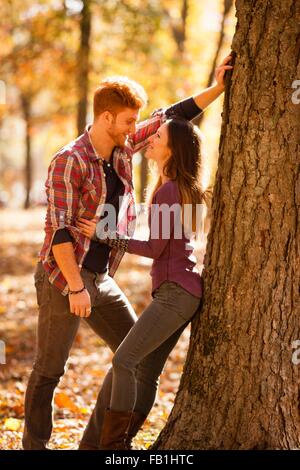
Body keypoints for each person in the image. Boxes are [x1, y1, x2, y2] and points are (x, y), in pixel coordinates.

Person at [23, 55, 233, 451]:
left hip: (102, 280)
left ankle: (97, 447)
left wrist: (218, 88)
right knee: (50, 371)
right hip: (64, 278)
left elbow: (172, 116)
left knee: (132, 358)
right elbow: (59, 231)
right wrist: (74, 287)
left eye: (137, 123)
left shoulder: (122, 148)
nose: (137, 130)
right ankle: (34, 446)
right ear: (106, 118)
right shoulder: (69, 161)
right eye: (128, 122)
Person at [76, 118, 211, 450]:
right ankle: (123, 442)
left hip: (176, 294)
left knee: (124, 362)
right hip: (183, 292)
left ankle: (113, 448)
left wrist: (104, 236)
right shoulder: (178, 187)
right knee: (147, 371)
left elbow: (154, 249)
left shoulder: (169, 190)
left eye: (158, 135)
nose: (151, 138)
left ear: (172, 148)